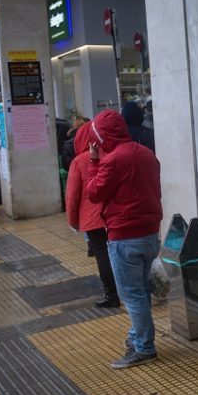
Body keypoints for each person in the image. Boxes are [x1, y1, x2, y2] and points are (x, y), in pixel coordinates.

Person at [84, 109, 162, 369]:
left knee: (132, 295)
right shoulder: (146, 154)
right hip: (150, 234)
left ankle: (144, 347)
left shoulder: (112, 160)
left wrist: (94, 161)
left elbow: (94, 193)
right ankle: (136, 337)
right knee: (141, 291)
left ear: (102, 135)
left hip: (125, 236)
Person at [65, 121, 119, 308]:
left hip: (93, 220)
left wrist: (73, 221)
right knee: (118, 254)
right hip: (114, 215)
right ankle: (125, 289)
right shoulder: (111, 154)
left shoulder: (79, 161)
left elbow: (72, 195)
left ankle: (111, 294)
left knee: (102, 255)